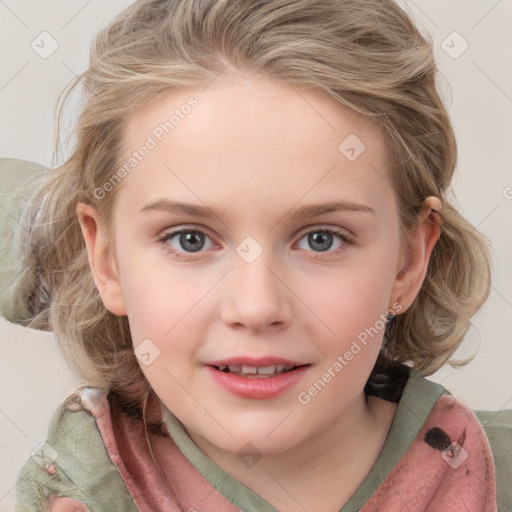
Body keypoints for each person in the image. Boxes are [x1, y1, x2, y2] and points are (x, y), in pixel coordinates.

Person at [11, 0, 511, 510]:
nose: (255, 307)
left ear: (407, 262)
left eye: (322, 239)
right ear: (107, 260)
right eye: (189, 239)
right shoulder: (81, 491)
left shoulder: (478, 471)